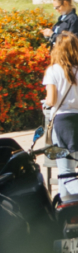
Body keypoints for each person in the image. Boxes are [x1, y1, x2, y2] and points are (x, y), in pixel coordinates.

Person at [43, 32, 78, 201]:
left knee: (65, 171)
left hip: (63, 123)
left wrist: (45, 103)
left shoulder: (53, 70)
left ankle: (67, 212)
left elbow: (51, 100)